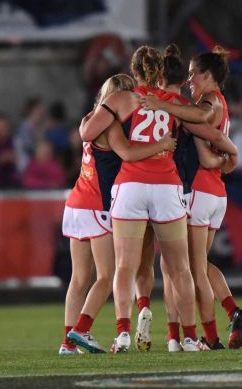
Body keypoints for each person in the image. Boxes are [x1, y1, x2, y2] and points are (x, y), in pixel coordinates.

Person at [78, 45, 212, 353]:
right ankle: (190, 338)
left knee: (125, 266)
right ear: (162, 73)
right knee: (180, 268)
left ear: (134, 71)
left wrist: (92, 120)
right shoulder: (174, 102)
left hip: (131, 186)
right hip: (166, 187)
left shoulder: (121, 99)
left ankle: (123, 332)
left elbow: (87, 134)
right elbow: (202, 120)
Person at [141, 46, 242, 349]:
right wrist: (227, 156)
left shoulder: (209, 101)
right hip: (215, 193)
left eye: (193, 74)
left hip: (199, 191)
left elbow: (200, 121)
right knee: (198, 264)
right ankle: (232, 310)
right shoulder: (219, 103)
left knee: (190, 269)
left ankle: (210, 338)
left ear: (207, 75)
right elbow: (211, 144)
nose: (190, 81)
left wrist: (163, 104)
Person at [61, 73, 176, 354]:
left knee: (78, 278)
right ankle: (81, 330)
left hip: (75, 202)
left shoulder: (89, 119)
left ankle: (67, 344)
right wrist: (161, 146)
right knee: (106, 275)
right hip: (97, 204)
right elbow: (126, 154)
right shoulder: (111, 126)